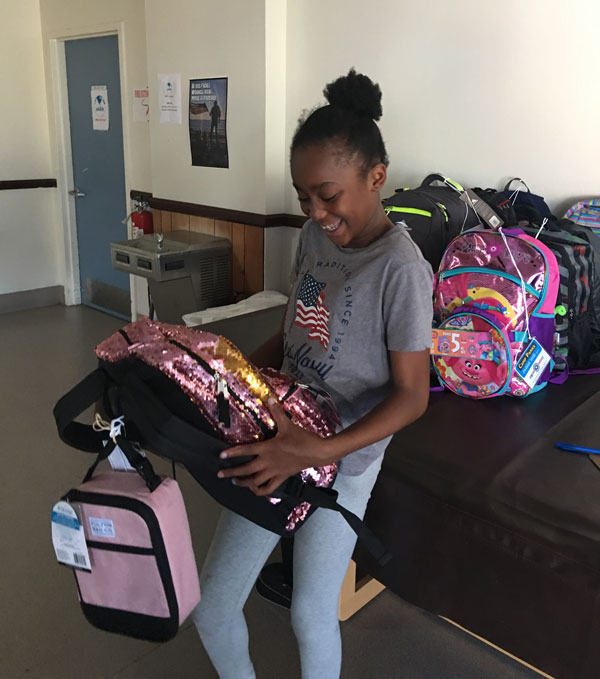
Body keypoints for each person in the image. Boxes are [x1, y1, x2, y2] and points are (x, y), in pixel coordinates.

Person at [192, 68, 433, 679]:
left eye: (328, 195)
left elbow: (411, 398)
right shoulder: (311, 237)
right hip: (281, 436)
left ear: (375, 178)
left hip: (343, 461)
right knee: (214, 607)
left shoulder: (402, 270)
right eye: (304, 197)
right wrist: (239, 372)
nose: (315, 211)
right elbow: (297, 333)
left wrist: (318, 450)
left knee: (309, 614)